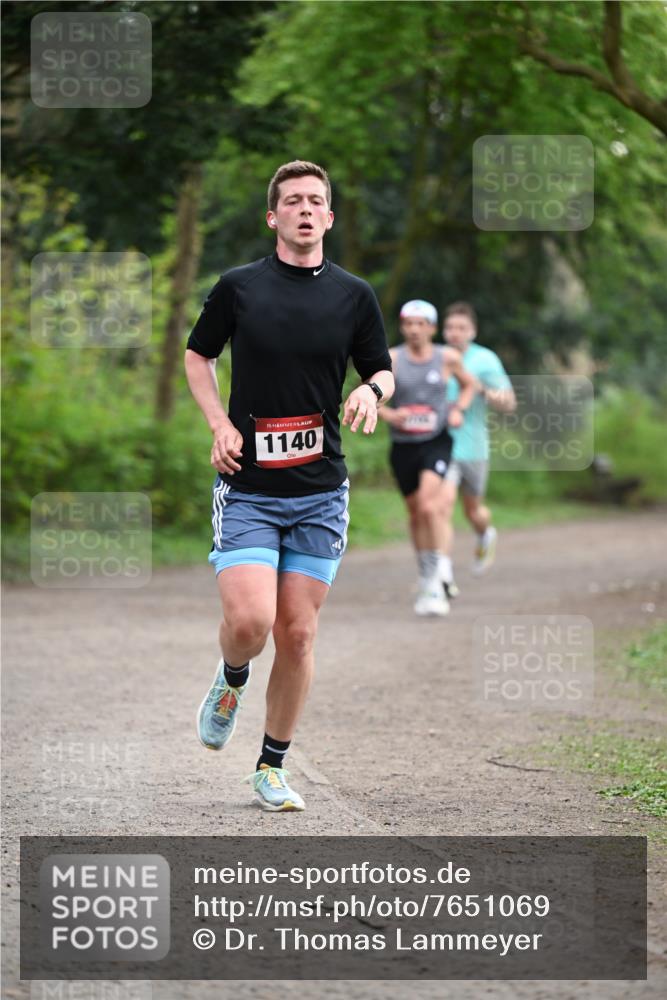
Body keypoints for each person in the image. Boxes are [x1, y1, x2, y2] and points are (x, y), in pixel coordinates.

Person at [184, 160, 393, 812]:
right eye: (292, 201)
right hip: (247, 487)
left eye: (315, 201)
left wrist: (371, 391)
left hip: (319, 492)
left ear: (328, 218)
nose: (305, 209)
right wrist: (218, 423)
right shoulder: (239, 288)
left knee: (297, 634)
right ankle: (231, 676)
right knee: (249, 623)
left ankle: (271, 767)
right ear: (273, 216)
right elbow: (198, 355)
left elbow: (382, 371)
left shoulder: (353, 295)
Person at [378, 300, 475, 616]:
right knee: (415, 513)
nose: (415, 330)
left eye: (421, 324)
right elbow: (371, 400)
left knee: (430, 506)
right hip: (403, 446)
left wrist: (458, 409)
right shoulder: (391, 359)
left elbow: (470, 386)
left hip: (436, 441)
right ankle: (426, 572)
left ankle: (435, 581)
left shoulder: (447, 358)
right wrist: (392, 416)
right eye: (409, 324)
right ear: (403, 327)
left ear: (432, 329)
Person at [441, 301, 516, 583]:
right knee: (442, 506)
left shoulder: (485, 360)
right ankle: (442, 572)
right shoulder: (438, 356)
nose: (455, 333)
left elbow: (508, 403)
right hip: (440, 446)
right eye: (450, 327)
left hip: (472, 447)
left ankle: (485, 533)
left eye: (461, 328)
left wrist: (478, 388)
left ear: (472, 331)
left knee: (473, 511)